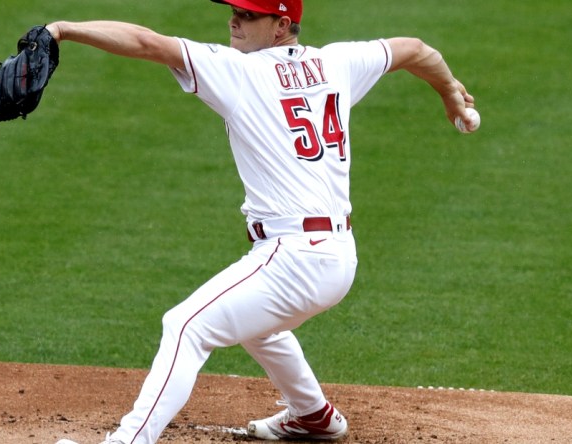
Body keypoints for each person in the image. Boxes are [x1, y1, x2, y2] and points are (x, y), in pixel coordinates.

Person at [49, 1, 476, 443]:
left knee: (186, 326)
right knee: (256, 322)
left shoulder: (238, 72)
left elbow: (146, 43)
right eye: (235, 11)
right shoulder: (337, 62)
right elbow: (415, 50)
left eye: (249, 15)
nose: (235, 20)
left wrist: (63, 29)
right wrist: (448, 93)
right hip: (336, 257)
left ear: (281, 25)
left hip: (294, 258)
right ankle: (314, 416)